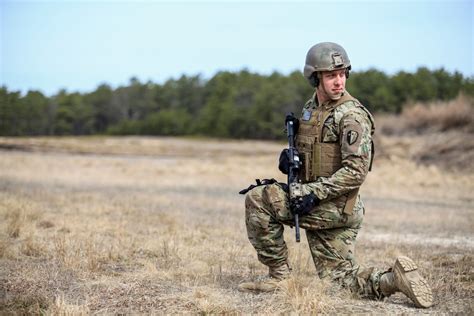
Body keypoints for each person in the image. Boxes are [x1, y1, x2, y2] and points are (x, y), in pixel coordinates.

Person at [238, 42, 433, 308]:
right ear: (315, 77)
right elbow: (317, 154)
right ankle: (393, 280)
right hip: (316, 202)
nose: (339, 81)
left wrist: (312, 194)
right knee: (340, 282)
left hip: (336, 207)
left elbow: (355, 172)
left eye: (342, 74)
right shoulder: (313, 108)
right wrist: (290, 159)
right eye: (331, 75)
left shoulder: (351, 116)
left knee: (260, 198)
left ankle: (279, 277)